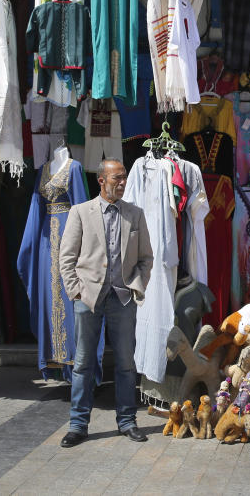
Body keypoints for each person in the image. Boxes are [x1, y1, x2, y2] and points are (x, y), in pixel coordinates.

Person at [58, 159, 154, 447]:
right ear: (102, 180)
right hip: (88, 299)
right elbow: (66, 259)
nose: (122, 183)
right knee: (84, 363)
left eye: (124, 178)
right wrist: (76, 292)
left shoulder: (134, 214)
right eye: (117, 178)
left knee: (125, 362)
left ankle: (127, 421)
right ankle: (78, 424)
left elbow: (146, 259)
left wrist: (136, 285)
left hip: (122, 299)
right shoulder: (80, 213)